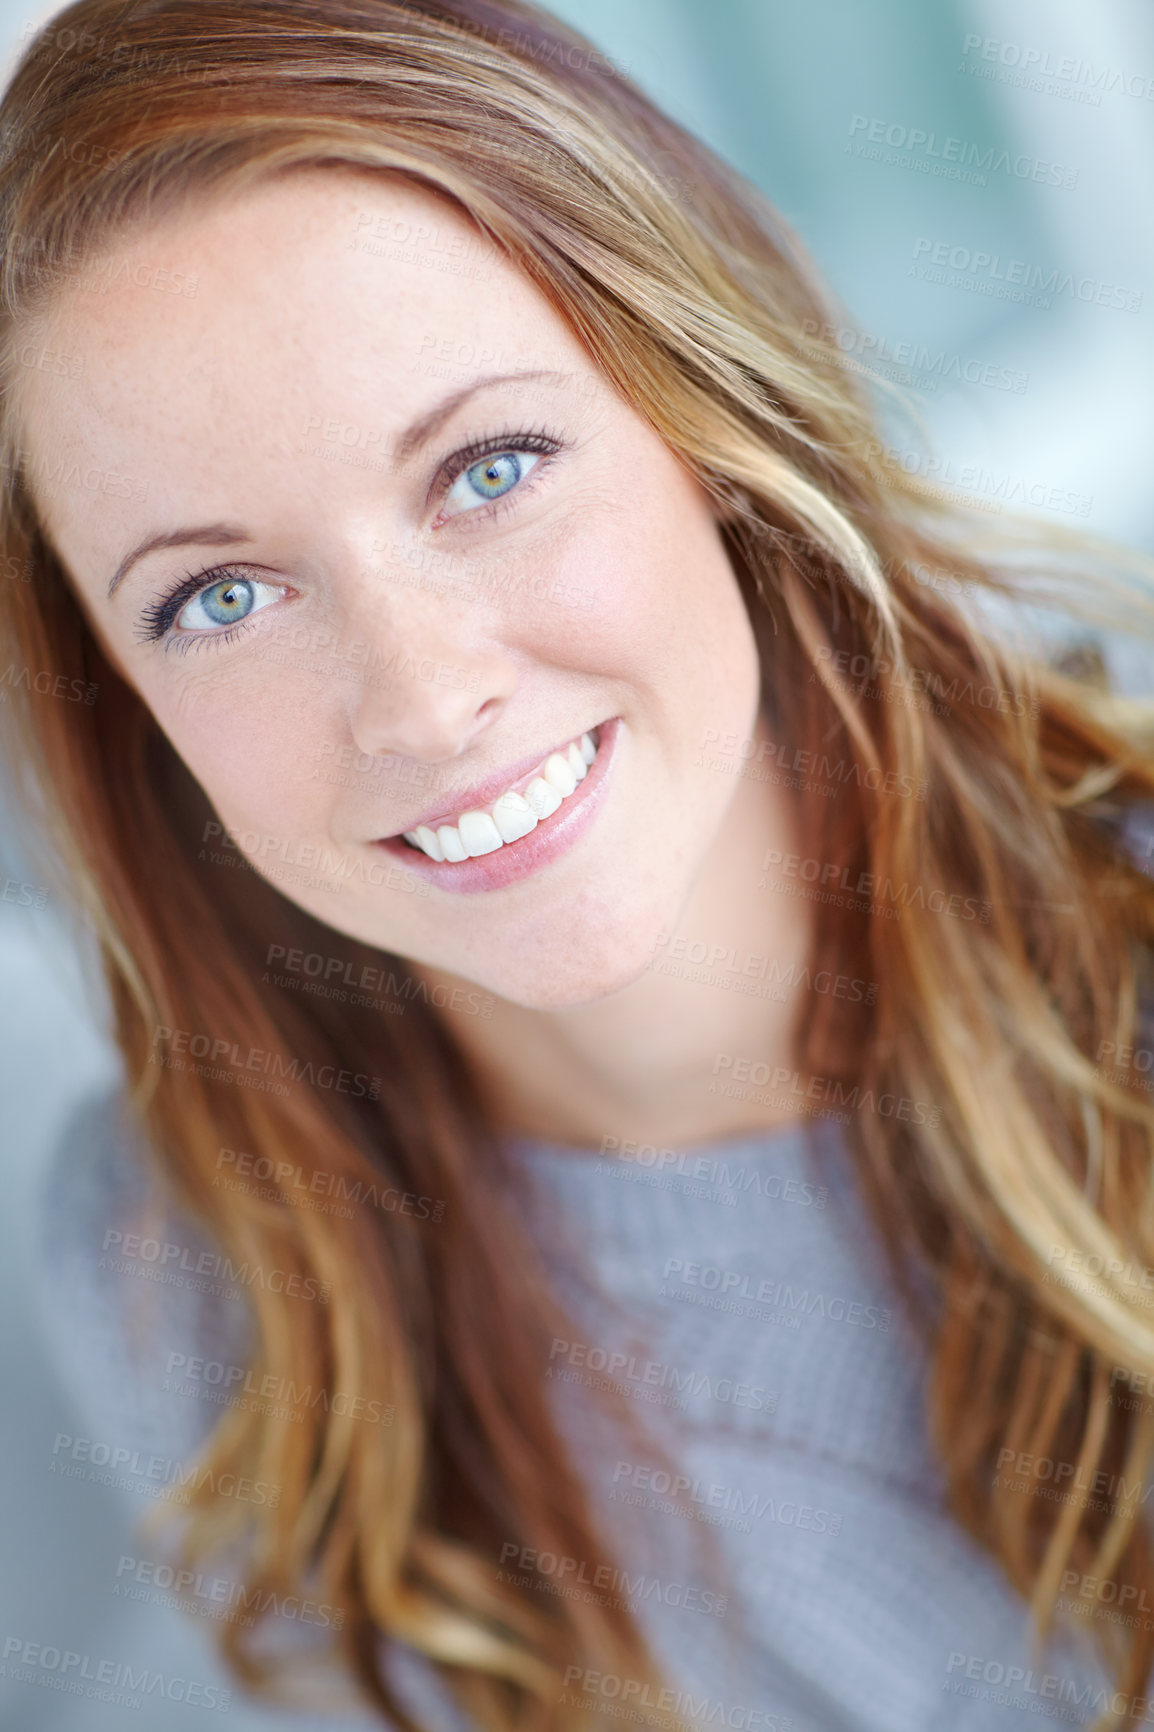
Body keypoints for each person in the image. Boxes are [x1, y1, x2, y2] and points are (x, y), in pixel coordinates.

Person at [3, 0, 1154, 1726]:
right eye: (216, 596)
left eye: (489, 468)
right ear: (123, 705)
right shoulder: (199, 1264)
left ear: (708, 424)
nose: (420, 699)